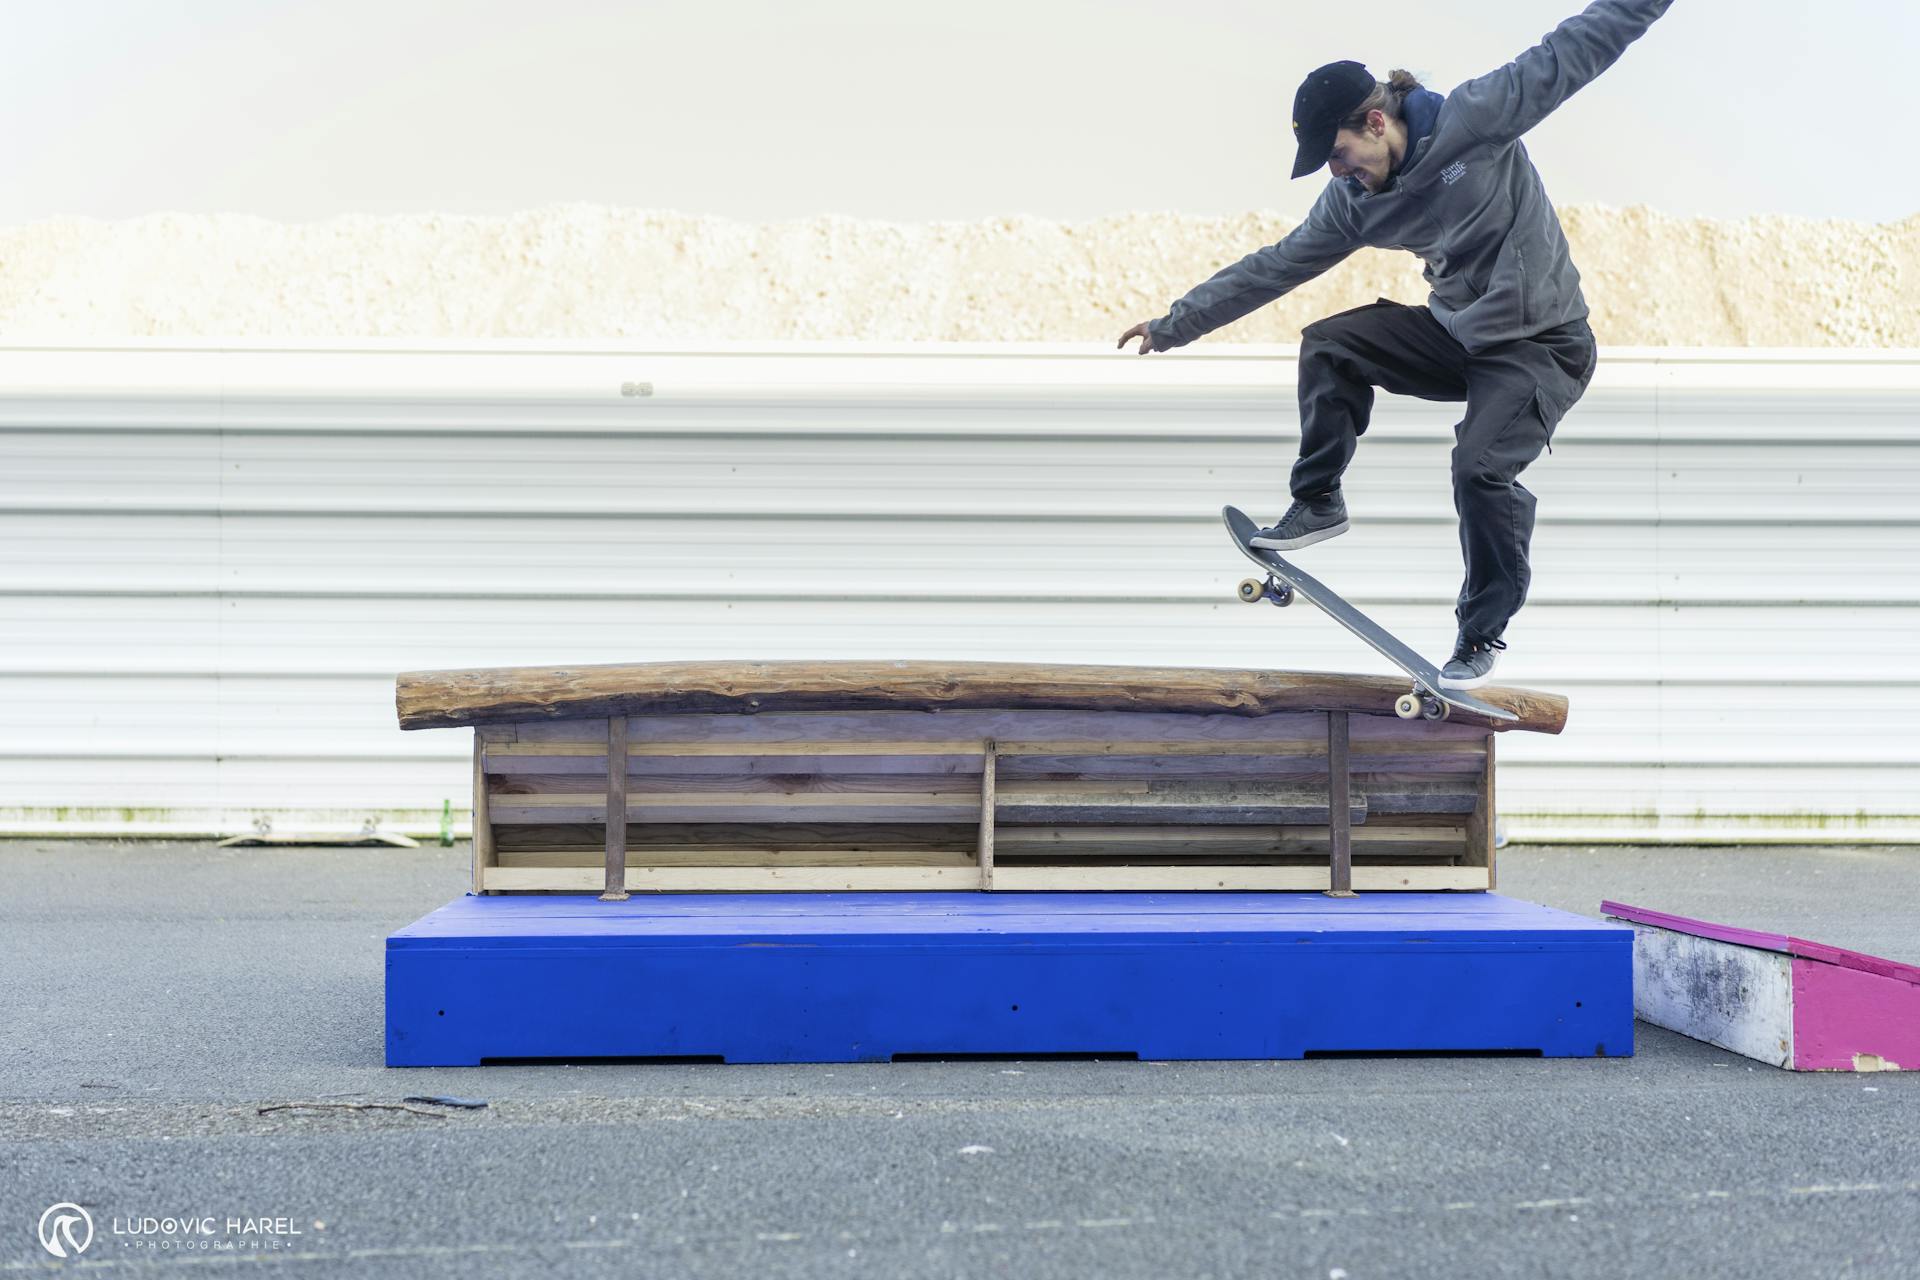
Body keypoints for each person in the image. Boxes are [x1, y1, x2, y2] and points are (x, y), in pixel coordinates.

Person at [1118, 0, 1673, 689]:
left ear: (1376, 121)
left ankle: (1480, 635)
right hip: (1456, 337)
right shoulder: (1353, 202)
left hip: (1542, 346)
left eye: (1340, 154)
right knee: (1329, 345)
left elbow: (1576, 48)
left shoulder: (1478, 117)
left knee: (1479, 469)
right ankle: (1318, 501)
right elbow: (1277, 264)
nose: (1338, 173)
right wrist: (1176, 323)